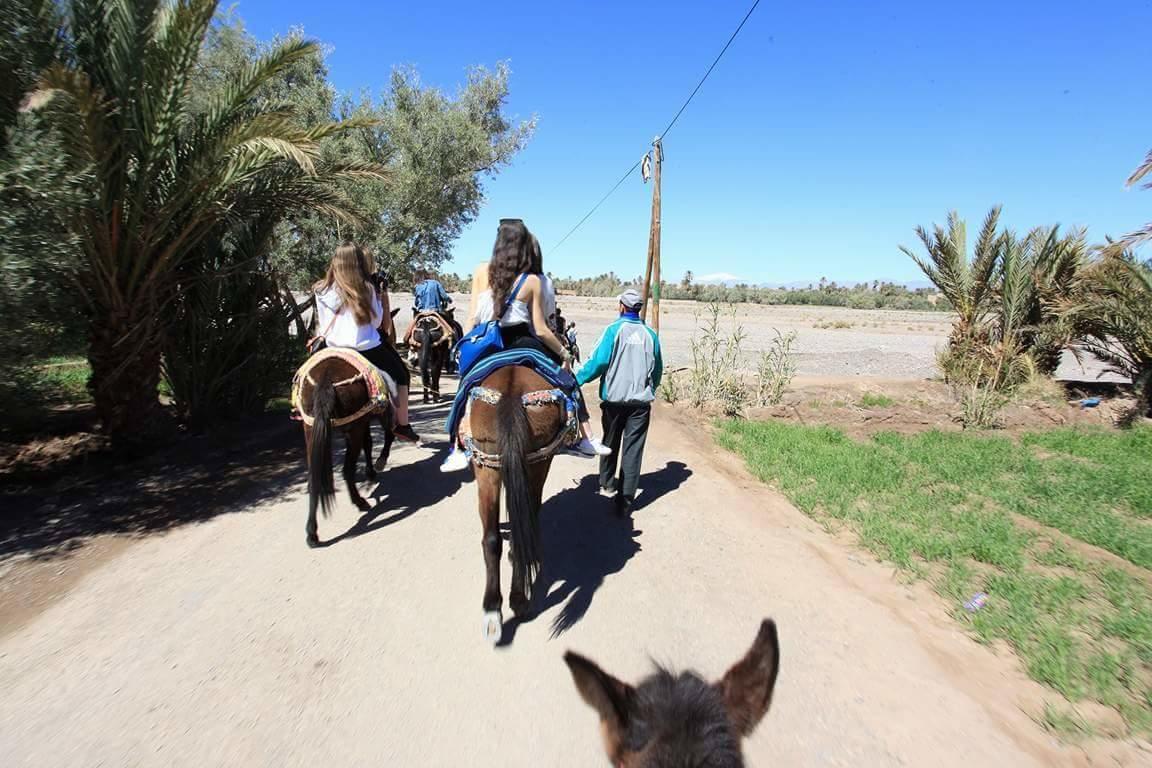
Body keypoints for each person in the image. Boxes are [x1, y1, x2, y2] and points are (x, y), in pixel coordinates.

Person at [441, 220, 610, 472]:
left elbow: (473, 318)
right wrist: (564, 353)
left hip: (488, 342)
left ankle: (458, 447)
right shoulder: (532, 280)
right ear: (523, 245)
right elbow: (541, 328)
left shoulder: (480, 271)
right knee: (567, 381)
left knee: (466, 386)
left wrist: (468, 346)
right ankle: (584, 437)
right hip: (524, 342)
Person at [313, 242, 420, 443]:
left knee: (305, 373)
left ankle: (298, 407)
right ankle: (403, 425)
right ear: (358, 263)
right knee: (400, 374)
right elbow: (379, 323)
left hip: (333, 348)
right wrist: (381, 296)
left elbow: (323, 323)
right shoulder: (368, 289)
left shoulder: (321, 289)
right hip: (366, 348)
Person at [575, 288, 663, 515]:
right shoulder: (651, 335)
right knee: (633, 449)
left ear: (622, 306)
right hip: (640, 405)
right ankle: (625, 500)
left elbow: (599, 361)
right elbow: (658, 369)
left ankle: (607, 483)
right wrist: (649, 387)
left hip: (614, 401)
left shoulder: (614, 331)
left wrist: (578, 379)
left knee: (610, 440)